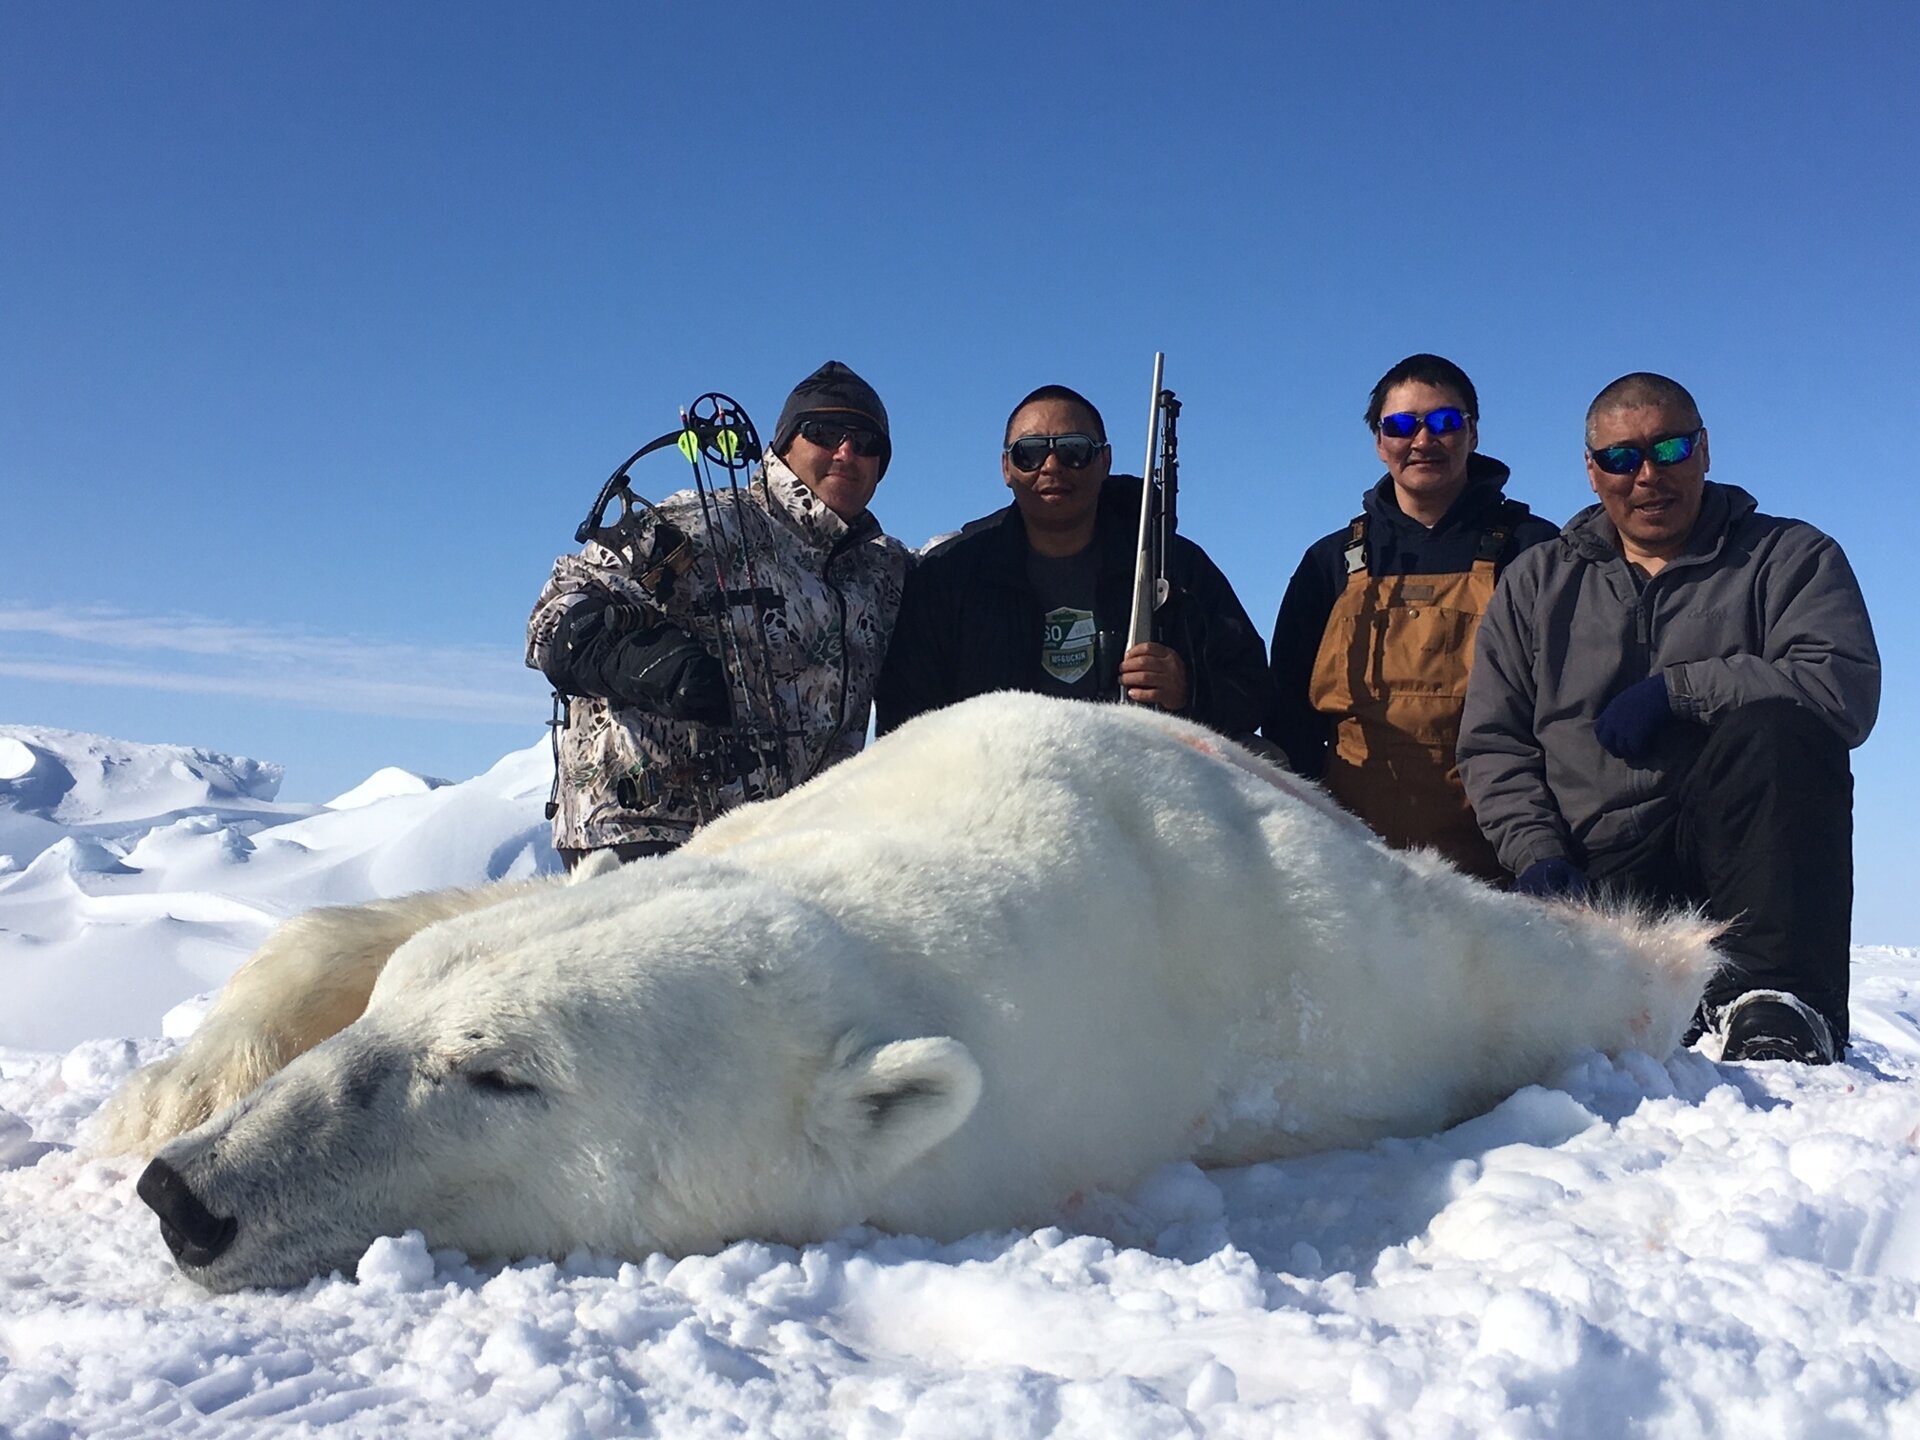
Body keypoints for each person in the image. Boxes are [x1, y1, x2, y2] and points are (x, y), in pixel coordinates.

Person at [1458, 372, 1879, 1064]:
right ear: (1593, 473)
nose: (1647, 475)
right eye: (1622, 458)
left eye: (1670, 448)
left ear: (1705, 451)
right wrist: (1536, 854)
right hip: (1600, 872)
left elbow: (1840, 687)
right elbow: (1493, 743)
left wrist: (1682, 689)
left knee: (1782, 729)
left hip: (1744, 862)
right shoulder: (1535, 583)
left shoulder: (1790, 557)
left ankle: (1778, 1004)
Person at [528, 360, 910, 868]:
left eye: (866, 441)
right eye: (823, 432)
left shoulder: (884, 572)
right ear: (783, 446)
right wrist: (650, 663)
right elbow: (553, 618)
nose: (846, 451)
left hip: (786, 844)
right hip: (645, 833)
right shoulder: (695, 521)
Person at [1264, 354, 1557, 881]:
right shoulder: (1329, 562)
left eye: (1444, 422)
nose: (1423, 440)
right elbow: (1289, 715)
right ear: (1380, 442)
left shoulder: (1534, 550)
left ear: (1473, 433)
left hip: (1504, 861)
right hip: (1352, 860)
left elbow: (1564, 708)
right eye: (1401, 425)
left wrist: (1546, 850)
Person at [875, 383, 1269, 739]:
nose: (1051, 466)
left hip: (1139, 784)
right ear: (1006, 469)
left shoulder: (1179, 566)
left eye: (1073, 450)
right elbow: (905, 718)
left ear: (1105, 461)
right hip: (998, 788)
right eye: (1029, 453)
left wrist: (1189, 692)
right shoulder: (948, 575)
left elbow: (1252, 686)